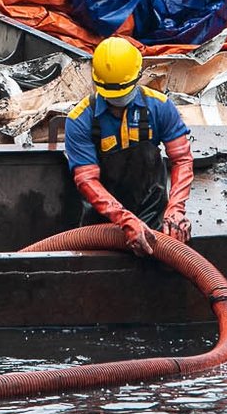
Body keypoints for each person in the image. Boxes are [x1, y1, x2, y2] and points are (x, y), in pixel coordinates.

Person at [63, 36, 194, 254]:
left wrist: (176, 209)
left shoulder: (159, 107)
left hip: (153, 211)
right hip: (101, 220)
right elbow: (87, 179)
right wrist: (123, 219)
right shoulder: (80, 120)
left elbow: (181, 159)